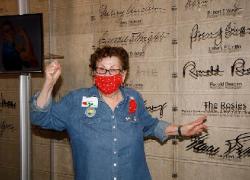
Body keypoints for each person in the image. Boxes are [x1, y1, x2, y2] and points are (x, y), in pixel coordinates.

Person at [30, 46, 207, 180]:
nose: (107, 74)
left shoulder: (133, 98)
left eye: (113, 69)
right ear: (94, 73)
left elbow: (149, 126)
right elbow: (40, 117)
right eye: (101, 69)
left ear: (123, 75)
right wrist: (49, 84)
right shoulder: (76, 100)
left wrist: (181, 130)